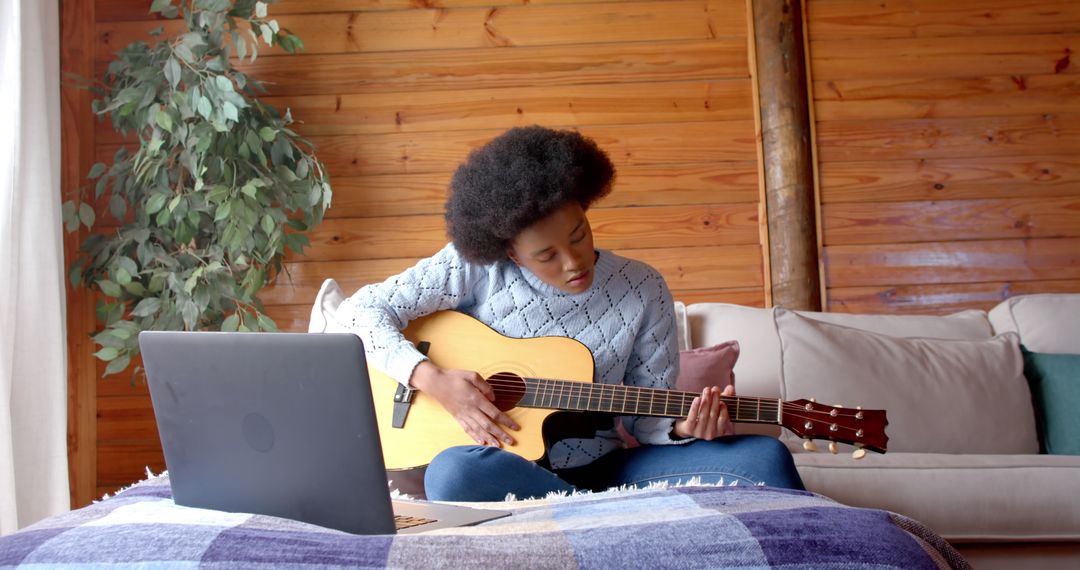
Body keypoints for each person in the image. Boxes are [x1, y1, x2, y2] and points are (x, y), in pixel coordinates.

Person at [335, 126, 804, 501]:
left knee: (767, 459)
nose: (574, 261)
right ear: (512, 254)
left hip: (610, 469)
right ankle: (606, 516)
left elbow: (649, 421)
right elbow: (360, 314)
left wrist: (685, 427)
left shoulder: (642, 287)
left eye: (579, 234)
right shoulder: (475, 268)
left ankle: (583, 512)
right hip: (504, 467)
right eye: (547, 255)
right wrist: (432, 379)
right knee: (454, 474)